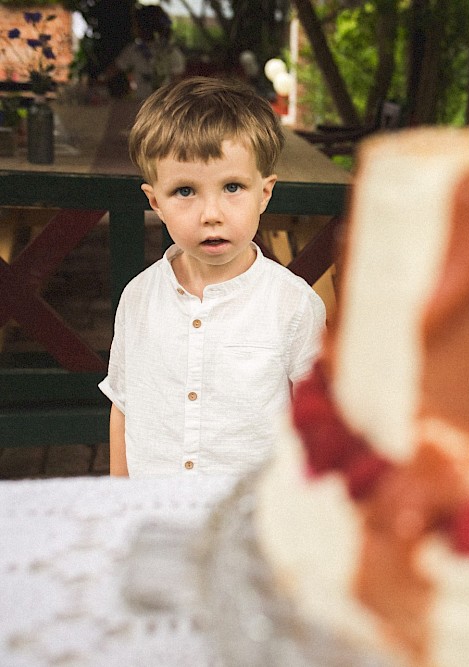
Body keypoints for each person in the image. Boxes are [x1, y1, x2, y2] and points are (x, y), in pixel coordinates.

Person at [99, 76, 327, 477]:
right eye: (185, 191)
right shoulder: (138, 297)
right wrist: (121, 500)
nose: (211, 213)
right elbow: (124, 404)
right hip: (157, 516)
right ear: (156, 202)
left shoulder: (293, 305)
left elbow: (317, 426)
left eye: (233, 187)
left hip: (249, 524)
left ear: (265, 193)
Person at [109, 4, 185, 99]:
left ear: (144, 26)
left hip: (163, 106)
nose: (133, 28)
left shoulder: (170, 52)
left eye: (136, 24)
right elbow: (114, 69)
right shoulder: (133, 50)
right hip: (142, 105)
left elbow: (177, 85)